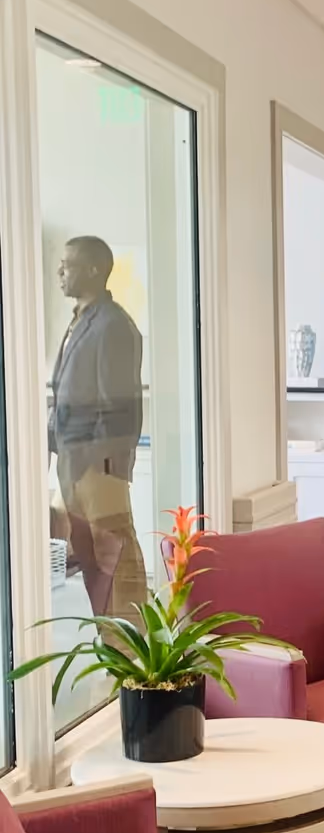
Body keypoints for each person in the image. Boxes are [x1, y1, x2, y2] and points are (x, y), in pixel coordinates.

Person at [49, 235, 147, 619]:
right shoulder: (81, 321)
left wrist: (97, 466)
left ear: (93, 270)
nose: (59, 272)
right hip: (73, 464)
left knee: (117, 562)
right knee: (94, 563)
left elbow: (120, 410)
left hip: (97, 469)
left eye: (66, 265)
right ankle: (112, 647)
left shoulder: (113, 325)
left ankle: (135, 652)